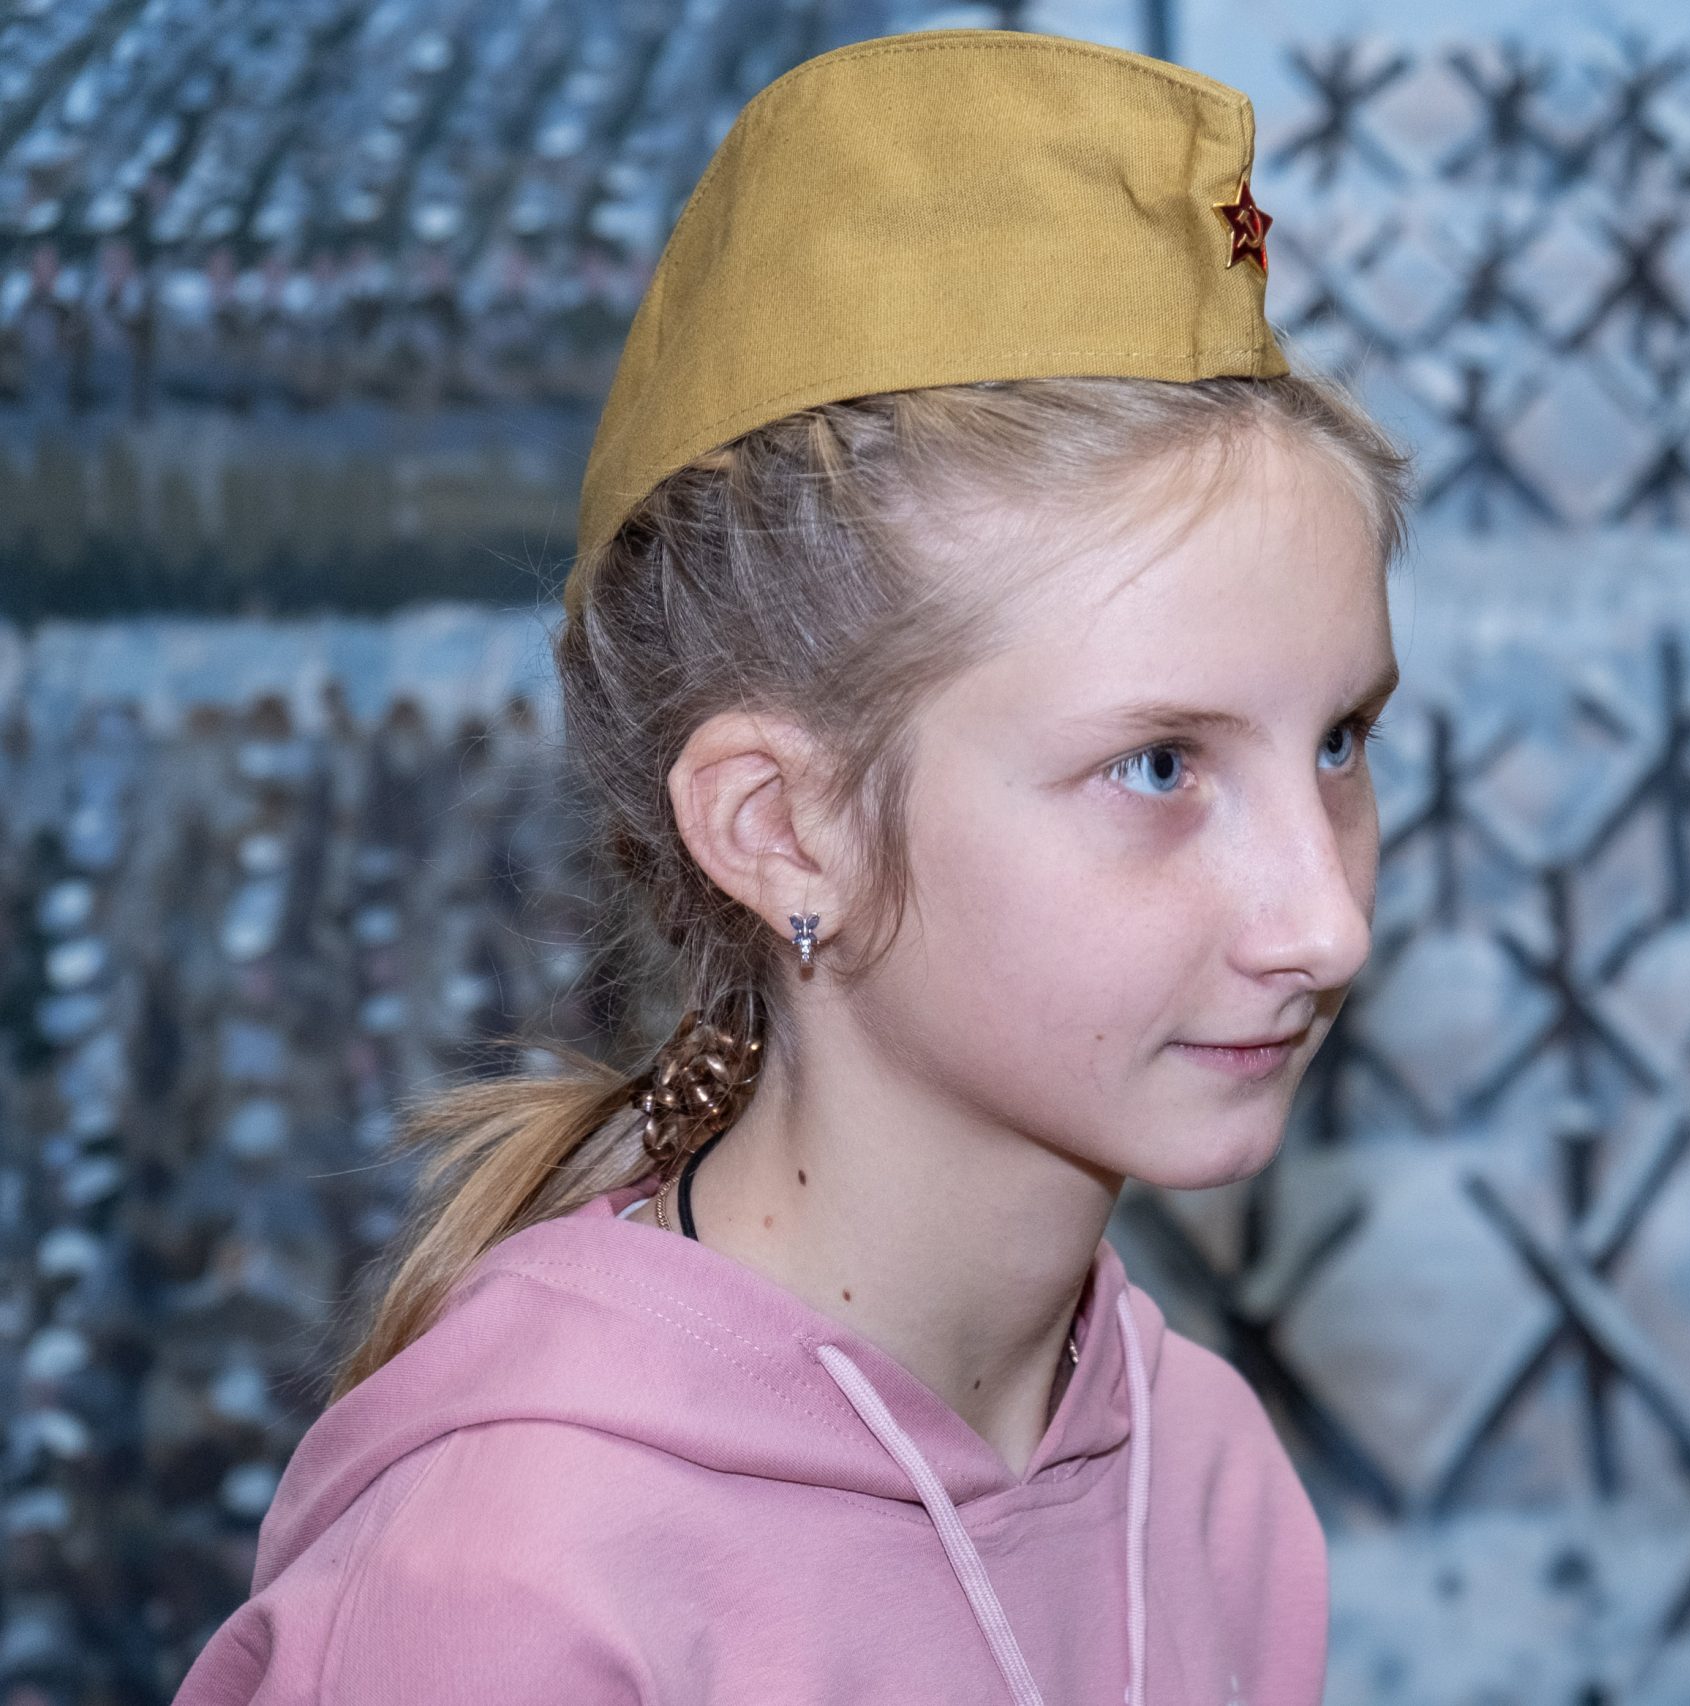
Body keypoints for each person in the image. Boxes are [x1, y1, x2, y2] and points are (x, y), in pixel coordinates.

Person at [171, 26, 1412, 1706]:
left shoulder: (1203, 1477)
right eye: (1160, 767)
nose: (1326, 922)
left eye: (1339, 741)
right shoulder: (511, 1588)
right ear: (782, 827)